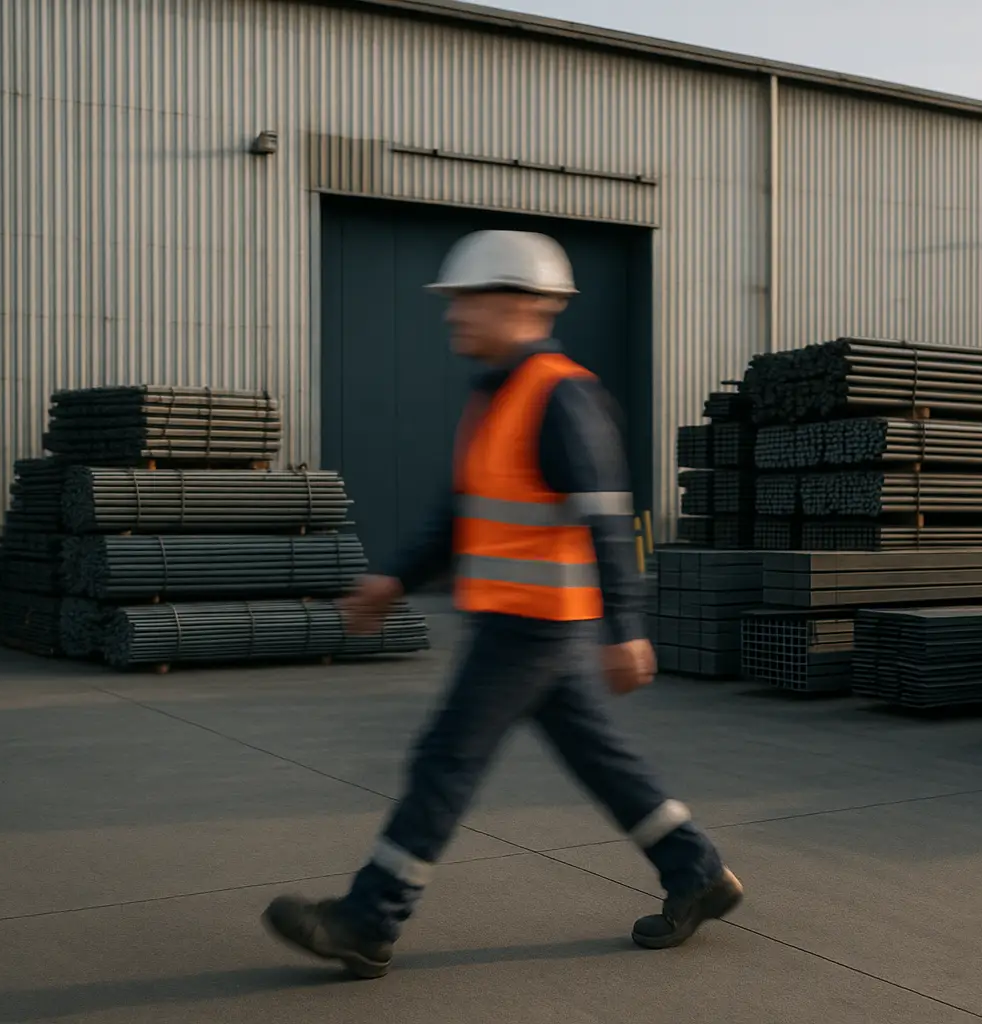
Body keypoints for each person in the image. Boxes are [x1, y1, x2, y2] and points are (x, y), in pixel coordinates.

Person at [261, 230, 742, 980]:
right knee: (602, 761)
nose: (453, 315)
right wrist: (393, 581)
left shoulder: (559, 394)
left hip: (532, 626)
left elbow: (607, 512)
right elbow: (461, 514)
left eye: (467, 299)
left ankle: (369, 917)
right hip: (518, 621)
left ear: (520, 302)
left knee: (445, 760)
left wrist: (626, 628)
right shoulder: (495, 397)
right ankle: (697, 871)